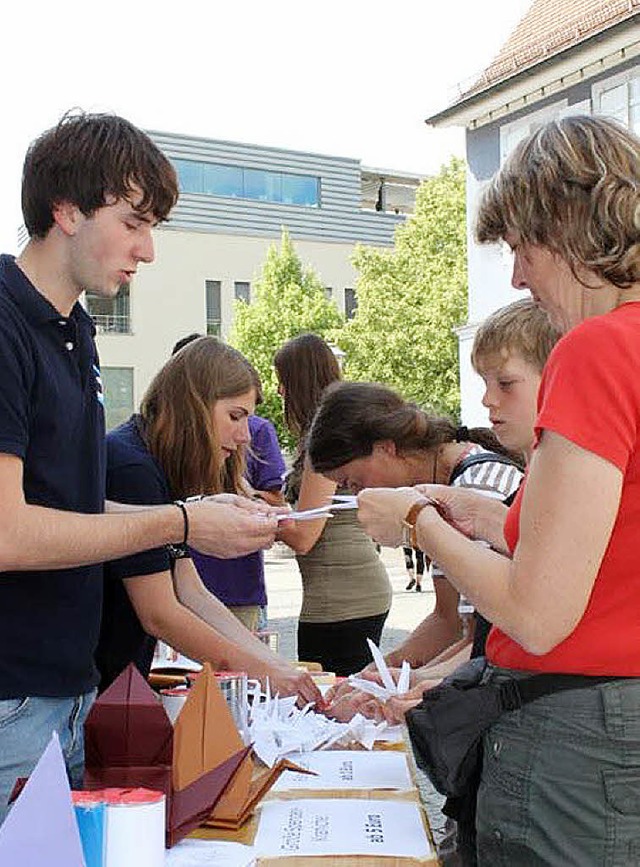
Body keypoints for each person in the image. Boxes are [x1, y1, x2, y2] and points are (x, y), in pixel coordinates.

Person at [356, 115, 640, 865]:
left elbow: (539, 613)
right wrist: (485, 514)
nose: (516, 275)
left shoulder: (598, 348)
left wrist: (418, 518)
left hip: (575, 740)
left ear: (570, 226)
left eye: (522, 247)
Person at [0, 112, 284, 824]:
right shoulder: (4, 324)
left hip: (69, 692)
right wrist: (185, 521)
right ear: (65, 210)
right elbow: (8, 530)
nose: (148, 249)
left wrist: (193, 525)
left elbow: (74, 508)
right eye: (133, 223)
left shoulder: (76, 331)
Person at [97, 336, 321, 706]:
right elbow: (161, 614)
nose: (245, 435)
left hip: (117, 681)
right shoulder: (132, 466)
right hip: (101, 686)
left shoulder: (155, 462)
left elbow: (192, 591)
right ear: (194, 406)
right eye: (235, 416)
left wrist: (276, 666)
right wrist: (266, 671)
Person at [307, 379, 522, 701]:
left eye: (354, 482)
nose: (359, 495)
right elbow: (449, 621)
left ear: (386, 448)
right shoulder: (448, 486)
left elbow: (482, 641)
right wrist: (384, 671)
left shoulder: (473, 489)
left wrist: (409, 684)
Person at [274, 333, 392, 676]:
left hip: (339, 599)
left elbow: (304, 536)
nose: (280, 392)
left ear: (300, 382)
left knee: (327, 699)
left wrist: (262, 516)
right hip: (350, 591)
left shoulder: (323, 446)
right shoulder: (336, 438)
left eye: (283, 382)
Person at [171, 333, 286, 631]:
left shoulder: (255, 433)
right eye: (235, 416)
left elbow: (283, 509)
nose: (244, 435)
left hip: (234, 591)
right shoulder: (140, 462)